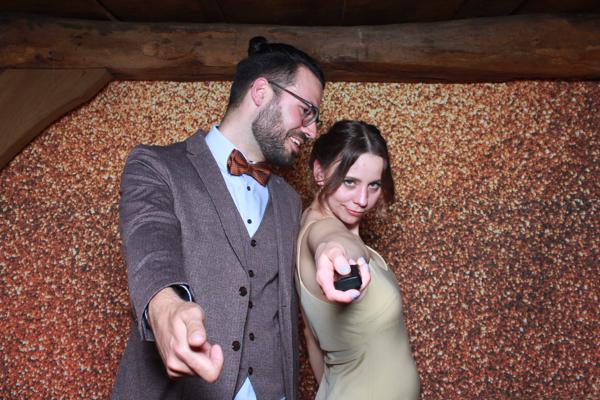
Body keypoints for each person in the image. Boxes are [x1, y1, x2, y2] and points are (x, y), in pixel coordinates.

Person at [111, 36, 355, 400]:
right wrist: (165, 306)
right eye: (306, 111)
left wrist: (332, 247)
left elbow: (320, 231)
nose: (311, 131)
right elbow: (150, 240)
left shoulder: (288, 200)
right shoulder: (156, 165)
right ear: (261, 92)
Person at [296, 120, 420, 399]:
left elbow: (310, 337)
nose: (363, 200)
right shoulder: (322, 229)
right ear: (319, 172)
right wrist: (333, 252)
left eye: (373, 185)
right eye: (350, 182)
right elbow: (332, 242)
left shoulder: (315, 220)